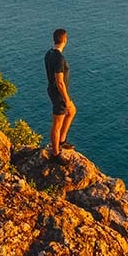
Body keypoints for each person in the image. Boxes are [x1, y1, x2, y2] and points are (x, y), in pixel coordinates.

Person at [44, 28, 76, 159]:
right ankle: (55, 153)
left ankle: (62, 141)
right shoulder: (59, 58)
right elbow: (60, 82)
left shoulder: (49, 53)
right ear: (64, 39)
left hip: (53, 90)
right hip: (59, 93)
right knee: (57, 124)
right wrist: (66, 99)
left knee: (72, 111)